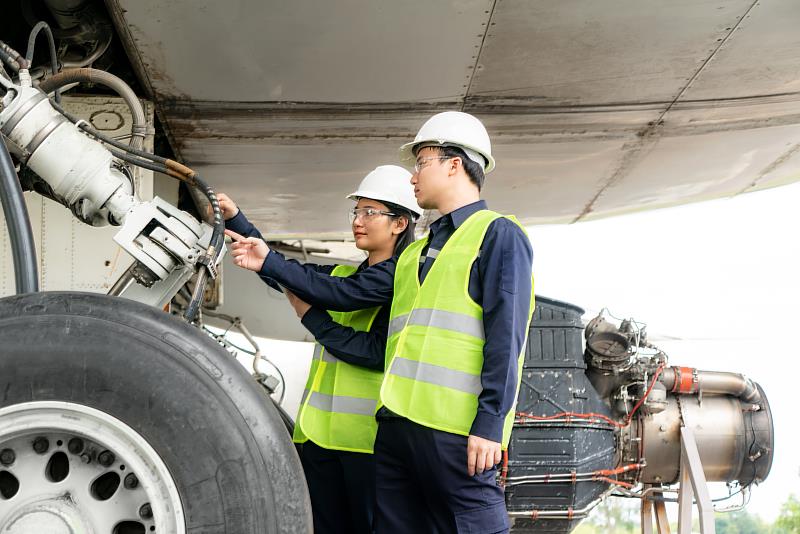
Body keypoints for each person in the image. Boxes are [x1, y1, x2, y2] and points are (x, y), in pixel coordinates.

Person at [229, 111, 535, 534]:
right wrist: (242, 229)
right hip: (395, 428)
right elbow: (327, 291)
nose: (414, 175)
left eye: (422, 161)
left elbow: (507, 337)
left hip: (454, 432)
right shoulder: (414, 255)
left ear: (454, 163)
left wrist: (490, 424)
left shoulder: (497, 235)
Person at [220, 164, 421, 534]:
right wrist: (239, 222)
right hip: (319, 439)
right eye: (356, 212)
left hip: (367, 445)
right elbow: (290, 274)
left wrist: (311, 316)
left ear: (400, 223)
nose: (358, 221)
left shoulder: (399, 280)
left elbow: (373, 350)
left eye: (369, 212)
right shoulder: (347, 276)